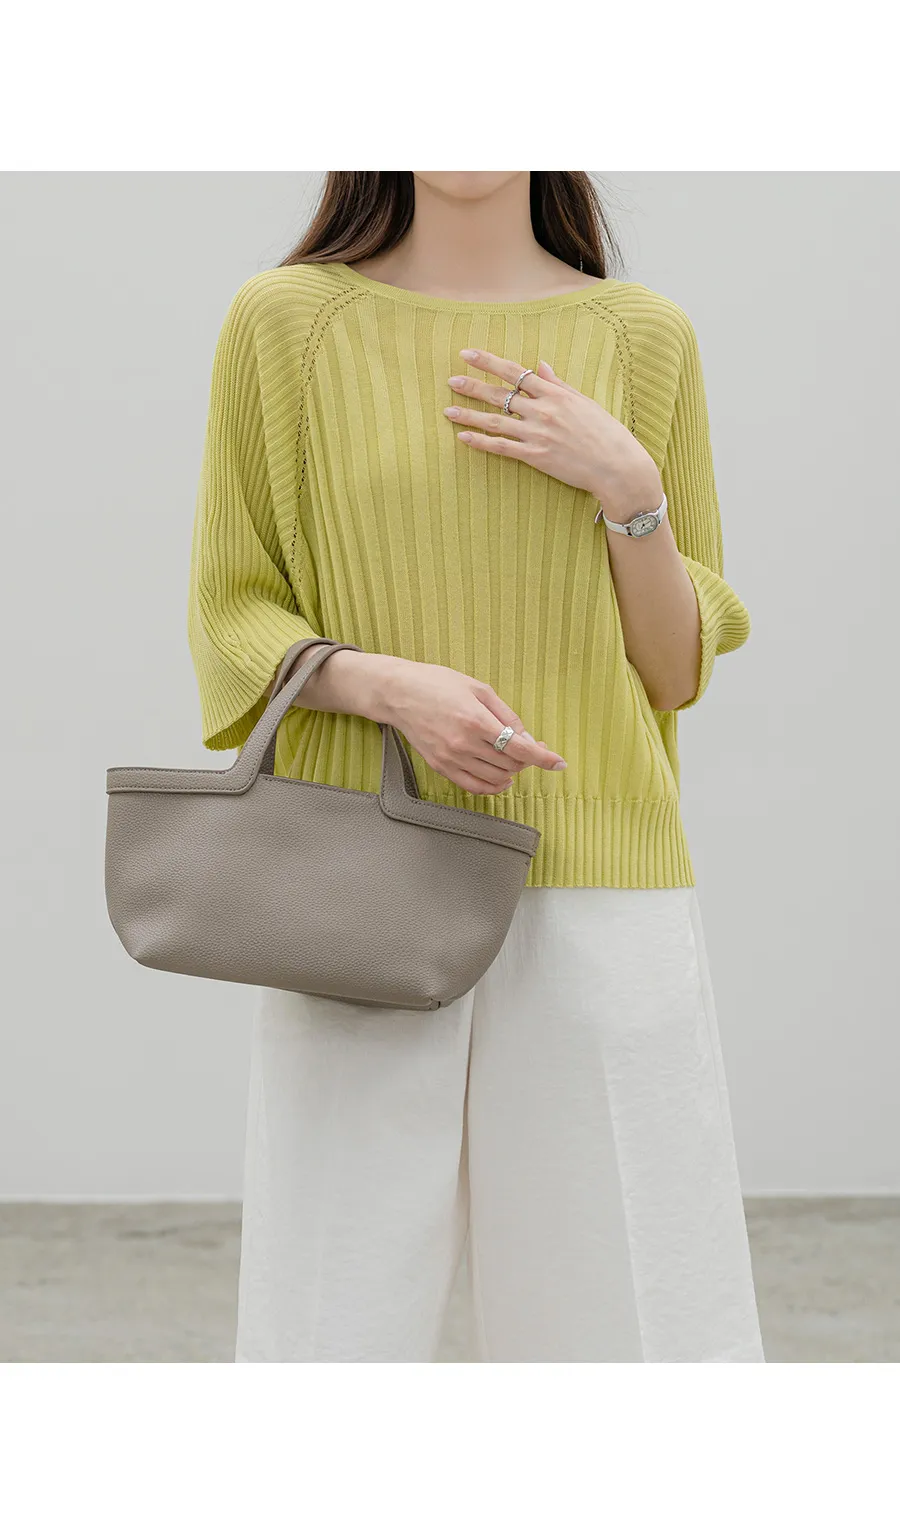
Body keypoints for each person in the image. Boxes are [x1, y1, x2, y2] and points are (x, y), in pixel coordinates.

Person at [187, 170, 765, 1363]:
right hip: (360, 877)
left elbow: (673, 669)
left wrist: (631, 490)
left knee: (632, 1323)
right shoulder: (287, 323)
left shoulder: (642, 335)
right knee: (329, 1324)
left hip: (598, 877)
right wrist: (390, 688)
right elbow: (230, 608)